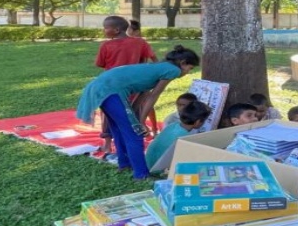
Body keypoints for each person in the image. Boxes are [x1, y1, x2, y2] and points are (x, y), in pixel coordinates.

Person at [76, 45, 199, 179]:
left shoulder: (158, 67)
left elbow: (142, 94)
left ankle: (124, 164)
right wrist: (140, 122)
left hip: (101, 88)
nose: (188, 71)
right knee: (135, 133)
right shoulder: (173, 70)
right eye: (190, 68)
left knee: (119, 129)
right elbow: (153, 96)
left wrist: (136, 117)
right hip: (111, 90)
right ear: (182, 63)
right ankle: (141, 174)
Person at [95, 15, 160, 148]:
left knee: (108, 113)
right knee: (133, 111)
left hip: (112, 85)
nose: (103, 30)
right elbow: (153, 58)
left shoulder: (106, 45)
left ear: (116, 30)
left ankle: (107, 143)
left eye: (106, 28)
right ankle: (136, 141)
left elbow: (100, 64)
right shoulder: (141, 42)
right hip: (134, 85)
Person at [145, 101, 211, 174]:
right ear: (198, 122)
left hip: (148, 163)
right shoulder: (184, 138)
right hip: (158, 171)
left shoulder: (173, 125)